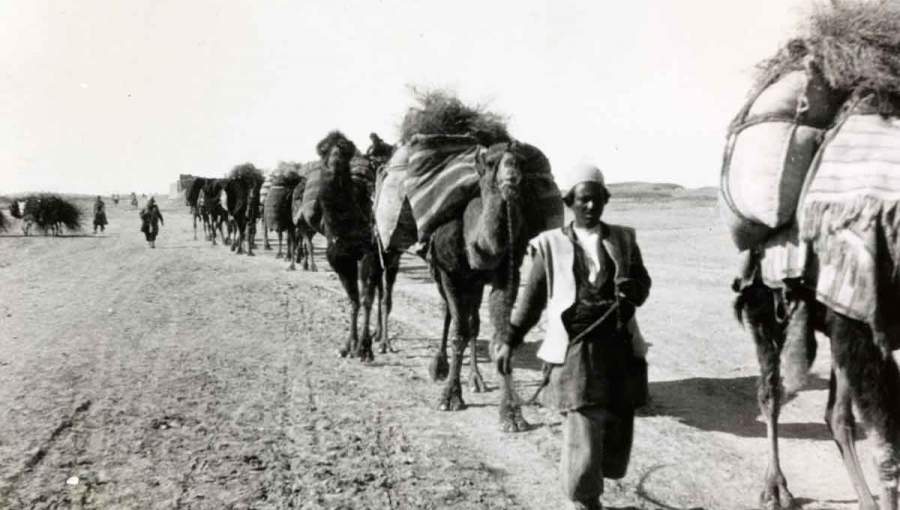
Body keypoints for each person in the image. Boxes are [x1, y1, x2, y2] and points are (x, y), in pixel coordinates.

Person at [494, 164, 651, 510]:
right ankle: (583, 499)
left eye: (597, 200)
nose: (591, 207)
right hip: (576, 347)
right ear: (570, 202)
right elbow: (531, 299)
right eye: (583, 200)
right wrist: (511, 338)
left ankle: (592, 485)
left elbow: (643, 284)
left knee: (617, 419)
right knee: (584, 419)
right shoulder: (549, 245)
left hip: (618, 344)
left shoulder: (624, 239)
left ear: (605, 200)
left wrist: (633, 290)